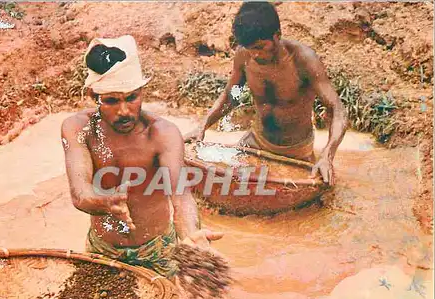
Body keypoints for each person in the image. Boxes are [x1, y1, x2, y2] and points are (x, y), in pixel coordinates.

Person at [61, 35, 222, 279]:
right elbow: (79, 193)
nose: (124, 111)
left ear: (142, 92)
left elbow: (181, 195)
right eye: (112, 100)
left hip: (157, 250)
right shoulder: (78, 129)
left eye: (131, 97)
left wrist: (190, 234)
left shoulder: (163, 134)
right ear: (94, 97)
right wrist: (103, 203)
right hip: (103, 249)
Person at [184, 2, 348, 185]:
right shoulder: (244, 56)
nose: (255, 54)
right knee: (227, 187)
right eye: (250, 48)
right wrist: (203, 125)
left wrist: (328, 154)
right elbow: (233, 95)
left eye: (260, 47)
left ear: (277, 35)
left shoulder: (303, 60)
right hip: (255, 142)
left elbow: (337, 109)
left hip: (295, 152)